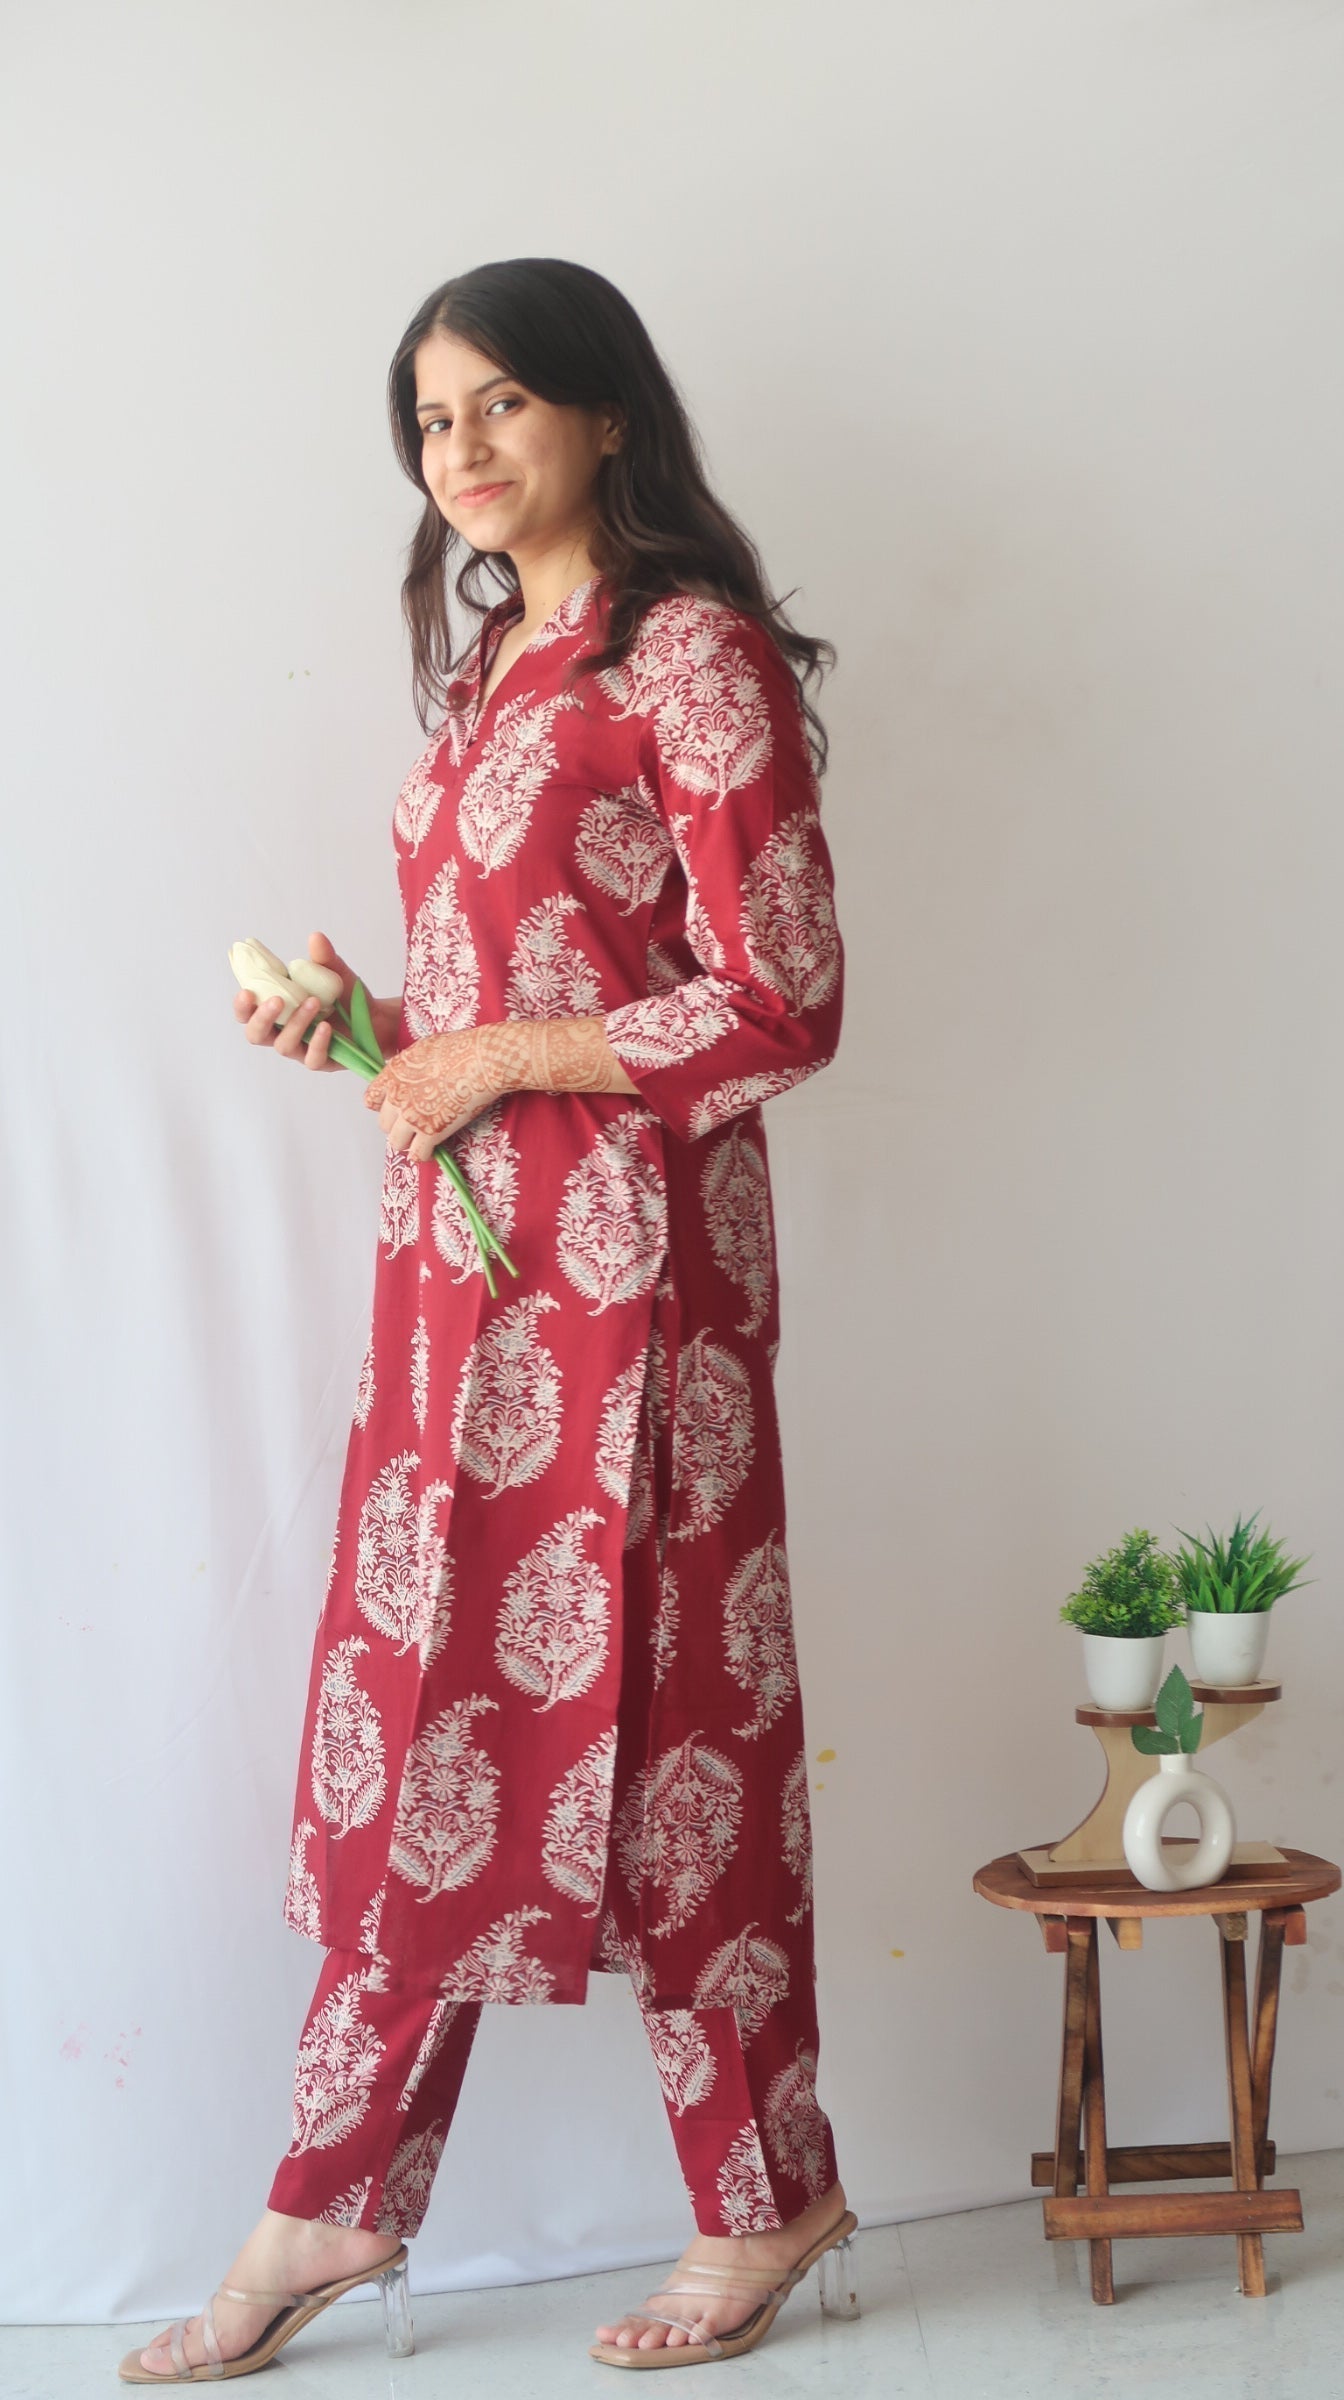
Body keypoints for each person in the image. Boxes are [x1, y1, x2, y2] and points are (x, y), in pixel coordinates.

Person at [120, 255, 854, 2383]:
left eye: (502, 401)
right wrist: (367, 1025)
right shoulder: (490, 677)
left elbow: (786, 1000)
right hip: (467, 1296)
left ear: (608, 413)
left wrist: (503, 1055)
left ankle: (764, 2191)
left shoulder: (686, 655)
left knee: (678, 1735)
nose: (460, 447)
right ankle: (338, 2193)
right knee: (435, 1722)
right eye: (432, 419)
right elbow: (488, 1005)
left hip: (644, 1295)